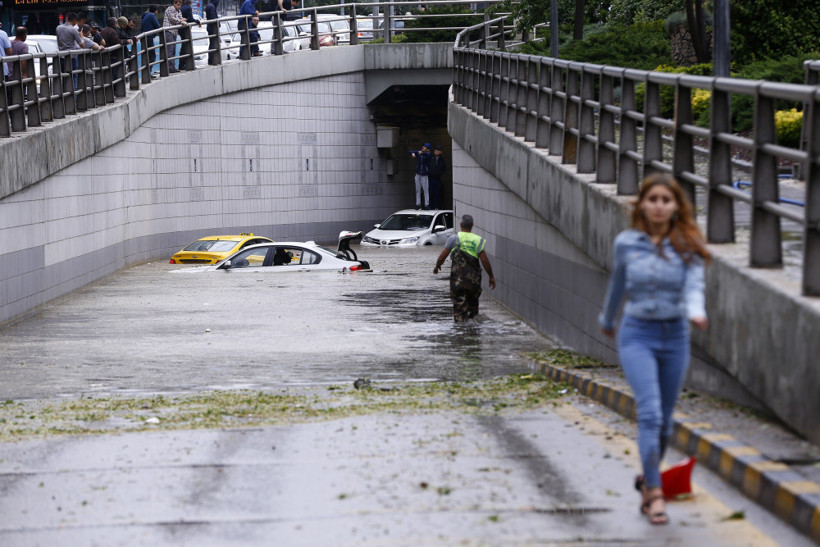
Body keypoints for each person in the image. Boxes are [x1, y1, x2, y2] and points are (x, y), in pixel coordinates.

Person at [598, 173, 710, 526]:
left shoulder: (688, 242)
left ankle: (648, 479)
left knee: (664, 422)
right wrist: (607, 317)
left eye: (666, 200)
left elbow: (695, 284)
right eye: (653, 199)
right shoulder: (626, 243)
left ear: (676, 206)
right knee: (649, 413)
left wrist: (696, 310)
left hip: (676, 334)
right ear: (642, 204)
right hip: (637, 335)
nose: (659, 205)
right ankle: (657, 493)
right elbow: (617, 283)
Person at [433, 214, 496, 322]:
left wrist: (437, 266)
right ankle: (473, 335)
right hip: (473, 282)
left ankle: (460, 335)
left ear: (460, 224)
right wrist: (491, 276)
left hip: (457, 283)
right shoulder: (478, 240)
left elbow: (442, 257)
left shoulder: (454, 239)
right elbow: (484, 260)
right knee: (473, 313)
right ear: (472, 225)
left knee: (459, 312)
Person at [55, 12, 84, 90]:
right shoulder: (73, 30)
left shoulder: (58, 28)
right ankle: (73, 98)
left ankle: (65, 96)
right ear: (74, 20)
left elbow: (58, 41)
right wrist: (81, 35)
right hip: (72, 57)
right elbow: (82, 44)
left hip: (61, 56)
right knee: (73, 77)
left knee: (64, 77)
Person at [163, 0, 188, 72]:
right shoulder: (170, 9)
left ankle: (172, 67)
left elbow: (181, 18)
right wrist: (181, 21)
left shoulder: (179, 11)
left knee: (173, 50)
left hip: (174, 31)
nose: (179, 5)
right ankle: (169, 67)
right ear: (174, 3)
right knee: (169, 50)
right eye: (178, 4)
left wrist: (182, 21)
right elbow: (172, 19)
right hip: (169, 31)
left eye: (180, 4)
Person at [179, 0, 200, 70]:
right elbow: (190, 19)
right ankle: (183, 64)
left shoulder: (182, 7)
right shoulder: (188, 8)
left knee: (184, 46)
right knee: (185, 47)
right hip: (185, 29)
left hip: (180, 29)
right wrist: (197, 21)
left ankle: (182, 64)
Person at [410, 143, 431, 210]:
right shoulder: (420, 153)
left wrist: (420, 153)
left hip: (424, 175)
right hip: (418, 174)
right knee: (418, 190)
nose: (423, 147)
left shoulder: (428, 154)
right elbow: (410, 151)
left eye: (425, 147)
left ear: (427, 148)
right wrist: (412, 154)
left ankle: (426, 204)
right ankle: (418, 204)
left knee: (425, 190)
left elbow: (427, 155)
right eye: (423, 146)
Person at [141, 6, 161, 72]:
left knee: (146, 56)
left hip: (143, 38)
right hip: (149, 38)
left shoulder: (145, 15)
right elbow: (158, 26)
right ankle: (148, 72)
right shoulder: (151, 15)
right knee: (152, 56)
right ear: (155, 11)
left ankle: (146, 73)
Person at [427, 145, 446, 210]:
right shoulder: (431, 157)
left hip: (437, 178)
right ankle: (429, 206)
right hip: (430, 178)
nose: (436, 151)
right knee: (430, 192)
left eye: (438, 150)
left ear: (441, 152)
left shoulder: (442, 160)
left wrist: (439, 173)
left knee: (436, 193)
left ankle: (436, 206)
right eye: (435, 150)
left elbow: (444, 169)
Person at [204, 0, 220, 65]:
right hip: (212, 27)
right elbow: (213, 17)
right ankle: (212, 60)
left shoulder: (209, 5)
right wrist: (217, 23)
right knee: (213, 43)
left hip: (209, 26)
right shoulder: (212, 7)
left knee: (212, 43)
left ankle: (211, 59)